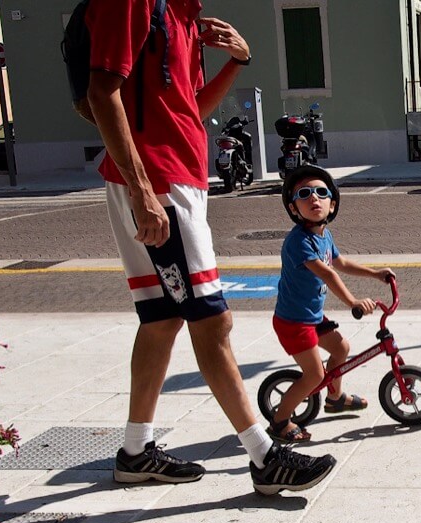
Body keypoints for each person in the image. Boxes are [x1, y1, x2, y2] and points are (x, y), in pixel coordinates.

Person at [83, 0, 335, 495]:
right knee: (212, 318)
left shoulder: (182, 16)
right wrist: (141, 192)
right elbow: (101, 91)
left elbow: (187, 111)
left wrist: (236, 63)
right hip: (157, 182)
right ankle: (265, 458)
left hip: (176, 178)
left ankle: (135, 452)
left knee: (161, 319)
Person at [269, 165, 393, 442]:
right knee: (313, 375)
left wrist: (375, 274)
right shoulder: (298, 242)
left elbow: (340, 263)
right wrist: (353, 301)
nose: (314, 198)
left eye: (321, 193)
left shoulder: (324, 236)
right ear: (293, 208)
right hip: (293, 321)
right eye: (304, 194)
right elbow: (327, 273)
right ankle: (279, 422)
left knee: (341, 347)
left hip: (311, 316)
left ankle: (335, 398)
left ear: (332, 203)